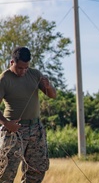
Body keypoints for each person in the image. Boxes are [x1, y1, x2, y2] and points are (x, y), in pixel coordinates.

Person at [0, 46, 56, 182]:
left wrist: (48, 86)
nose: (23, 71)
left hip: (36, 130)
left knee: (37, 170)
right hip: (14, 131)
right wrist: (7, 123)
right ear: (11, 63)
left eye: (26, 68)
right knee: (6, 172)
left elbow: (53, 95)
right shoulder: (4, 79)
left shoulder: (35, 74)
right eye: (20, 68)